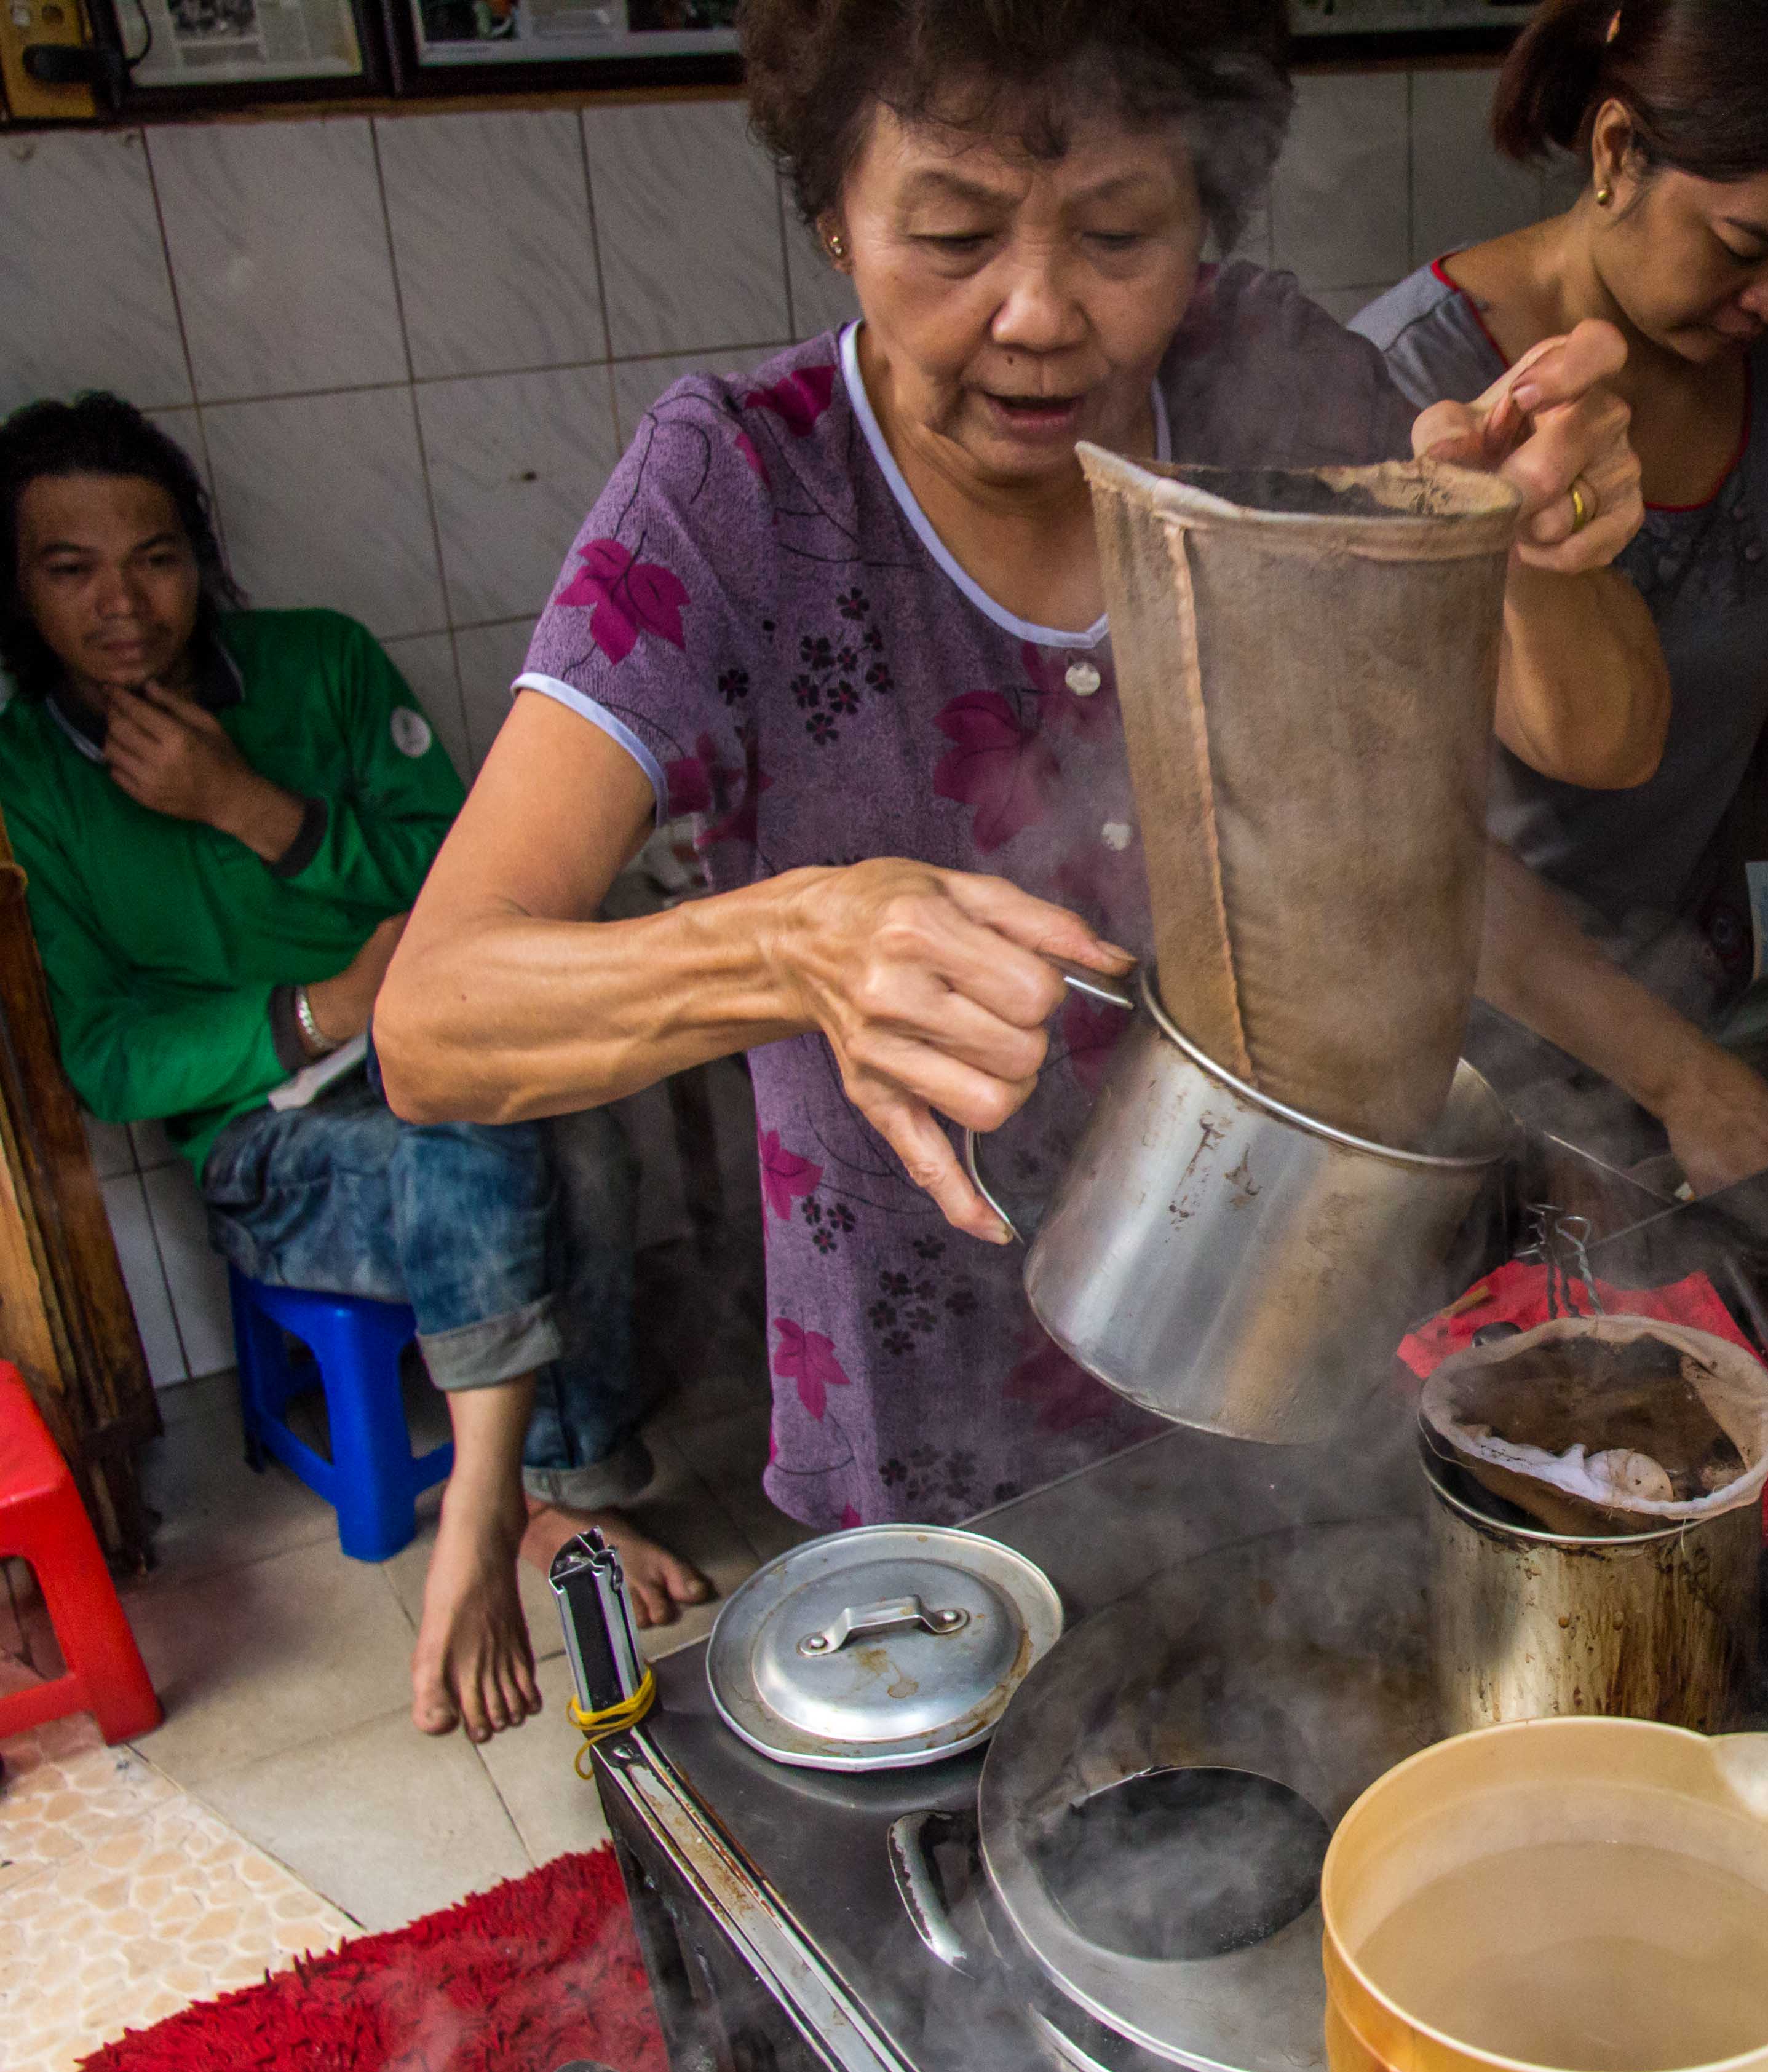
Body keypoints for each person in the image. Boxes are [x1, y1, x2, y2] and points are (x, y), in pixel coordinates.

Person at [370, 0, 1663, 1535]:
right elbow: (435, 1024)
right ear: (836, 219)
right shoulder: (737, 488)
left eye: (1122, 235)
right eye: (953, 236)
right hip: (934, 1429)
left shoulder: (1268, 377)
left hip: (1303, 1348)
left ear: (1206, 217)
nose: (1040, 313)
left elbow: (1601, 739)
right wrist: (795, 938)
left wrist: (1536, 546)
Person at [0, 393, 705, 1744]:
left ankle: (561, 1477)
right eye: (66, 567)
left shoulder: (318, 665)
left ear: (199, 555)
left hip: (428, 1038)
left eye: (153, 556)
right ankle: (539, 1501)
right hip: (267, 1139)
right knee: (467, 1128)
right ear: (16, 586)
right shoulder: (23, 778)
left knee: (575, 1118)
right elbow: (102, 1054)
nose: (123, 604)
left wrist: (247, 808)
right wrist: (326, 1010)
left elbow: (474, 868)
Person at [1350, 0, 1768, 1198]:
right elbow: (1401, 839)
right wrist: (1680, 1077)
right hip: (1445, 1072)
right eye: (1745, 245)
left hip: (1686, 1015)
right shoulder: (1415, 397)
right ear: (1618, 152)